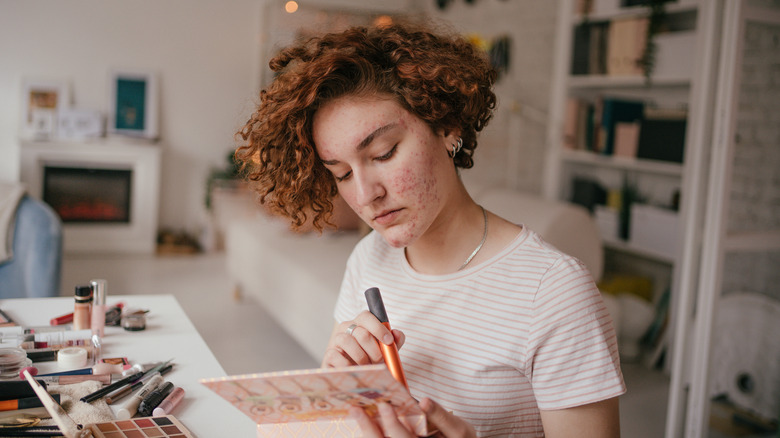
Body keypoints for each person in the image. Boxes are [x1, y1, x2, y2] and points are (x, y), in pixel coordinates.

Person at [235, 20, 625, 437]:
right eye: (342, 173)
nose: (366, 194)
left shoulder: (553, 291)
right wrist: (341, 386)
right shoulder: (368, 259)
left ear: (446, 128)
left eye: (384, 153)